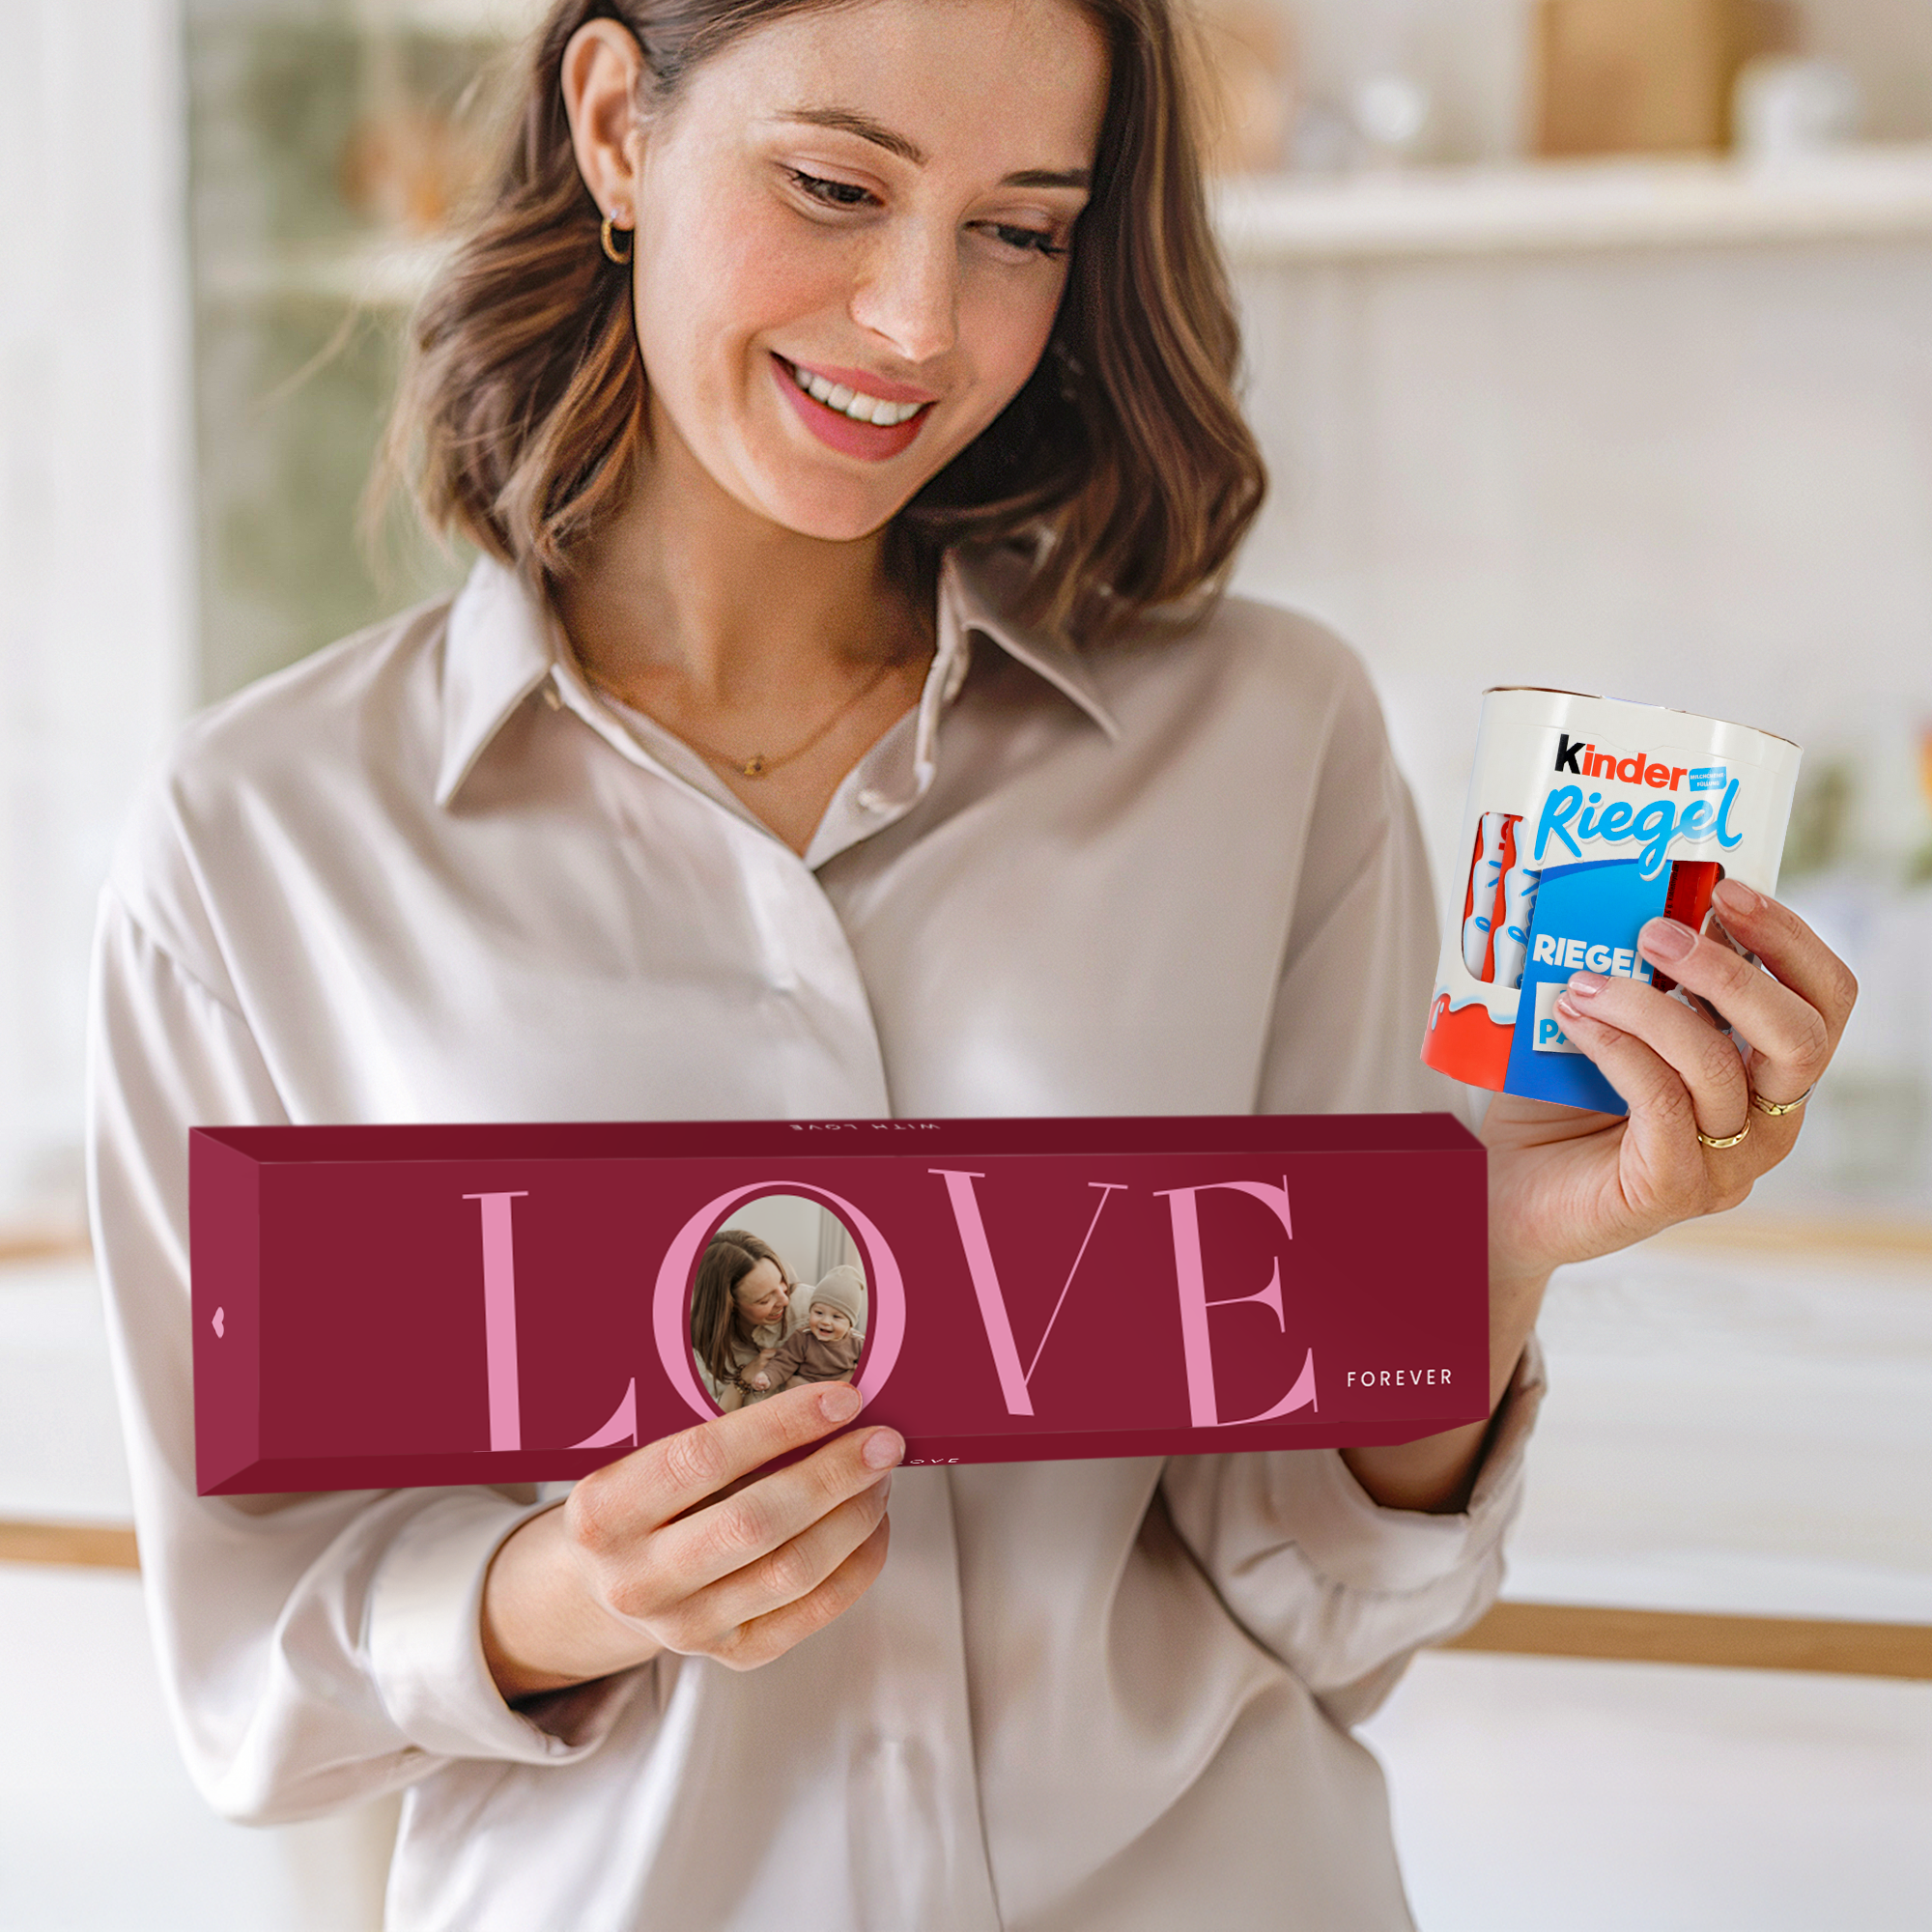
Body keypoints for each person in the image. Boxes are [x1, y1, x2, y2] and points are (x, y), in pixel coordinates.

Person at [87, 1, 1856, 1926]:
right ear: (614, 125)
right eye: (834, 186)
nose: (920, 323)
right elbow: (255, 1682)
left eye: (1019, 228)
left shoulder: (1265, 742)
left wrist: (1480, 1254)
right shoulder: (259, 840)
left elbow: (1319, 1602)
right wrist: (574, 1592)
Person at [688, 1229, 797, 1410]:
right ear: (730, 1306)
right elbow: (711, 1422)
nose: (785, 1300)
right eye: (764, 1300)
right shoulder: (697, 1353)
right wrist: (743, 1379)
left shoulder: (809, 1306)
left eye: (781, 1283)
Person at [749, 1265, 867, 1393]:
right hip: (804, 1392)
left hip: (840, 1394)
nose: (825, 1321)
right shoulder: (803, 1337)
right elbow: (784, 1362)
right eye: (819, 1313)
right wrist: (767, 1377)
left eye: (836, 1317)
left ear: (850, 1324)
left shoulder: (858, 1342)